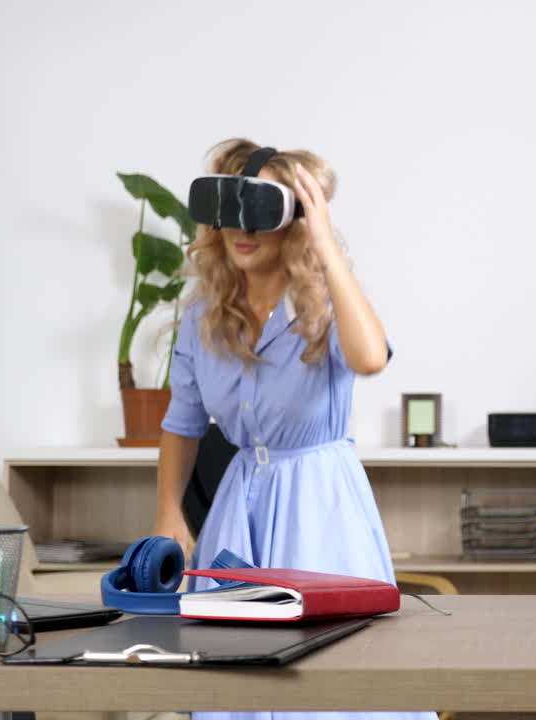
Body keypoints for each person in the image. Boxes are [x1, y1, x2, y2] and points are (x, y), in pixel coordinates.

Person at [152, 138, 435, 720]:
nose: (241, 230)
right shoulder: (202, 317)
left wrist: (326, 246)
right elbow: (181, 425)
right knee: (232, 677)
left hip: (320, 503)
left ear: (296, 220)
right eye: (229, 213)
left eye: (259, 211)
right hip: (238, 506)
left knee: (330, 680)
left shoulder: (325, 306)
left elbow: (370, 359)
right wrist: (168, 513)